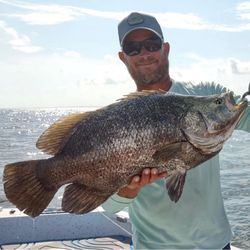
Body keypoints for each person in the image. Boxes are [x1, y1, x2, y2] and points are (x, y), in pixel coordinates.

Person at [102, 12, 250, 249]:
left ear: (166, 48)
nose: (145, 54)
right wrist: (128, 189)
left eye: (152, 44)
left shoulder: (206, 95)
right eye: (133, 48)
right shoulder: (116, 122)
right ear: (123, 57)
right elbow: (110, 206)